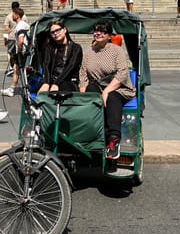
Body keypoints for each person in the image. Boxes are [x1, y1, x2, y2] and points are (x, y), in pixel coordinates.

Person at [79, 21, 136, 160]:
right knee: (90, 93)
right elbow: (83, 75)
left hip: (118, 87)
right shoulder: (88, 53)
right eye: (96, 31)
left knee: (112, 97)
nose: (98, 33)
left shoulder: (117, 51)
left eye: (102, 31)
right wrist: (82, 95)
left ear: (109, 35)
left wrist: (106, 91)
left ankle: (113, 140)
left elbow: (122, 73)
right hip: (97, 86)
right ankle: (91, 133)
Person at [38, 20, 83, 93]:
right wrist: (46, 82)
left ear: (64, 30)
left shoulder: (76, 48)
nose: (55, 33)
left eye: (57, 30)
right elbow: (46, 65)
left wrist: (56, 83)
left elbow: (70, 67)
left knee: (62, 89)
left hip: (69, 80)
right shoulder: (49, 48)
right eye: (52, 32)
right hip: (51, 80)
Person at [1, 5, 29, 97]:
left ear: (17, 15)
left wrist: (19, 52)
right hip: (24, 51)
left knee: (20, 70)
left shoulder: (20, 25)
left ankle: (22, 89)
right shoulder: (24, 24)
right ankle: (12, 89)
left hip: (22, 52)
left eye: (13, 13)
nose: (12, 15)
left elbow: (20, 40)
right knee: (16, 69)